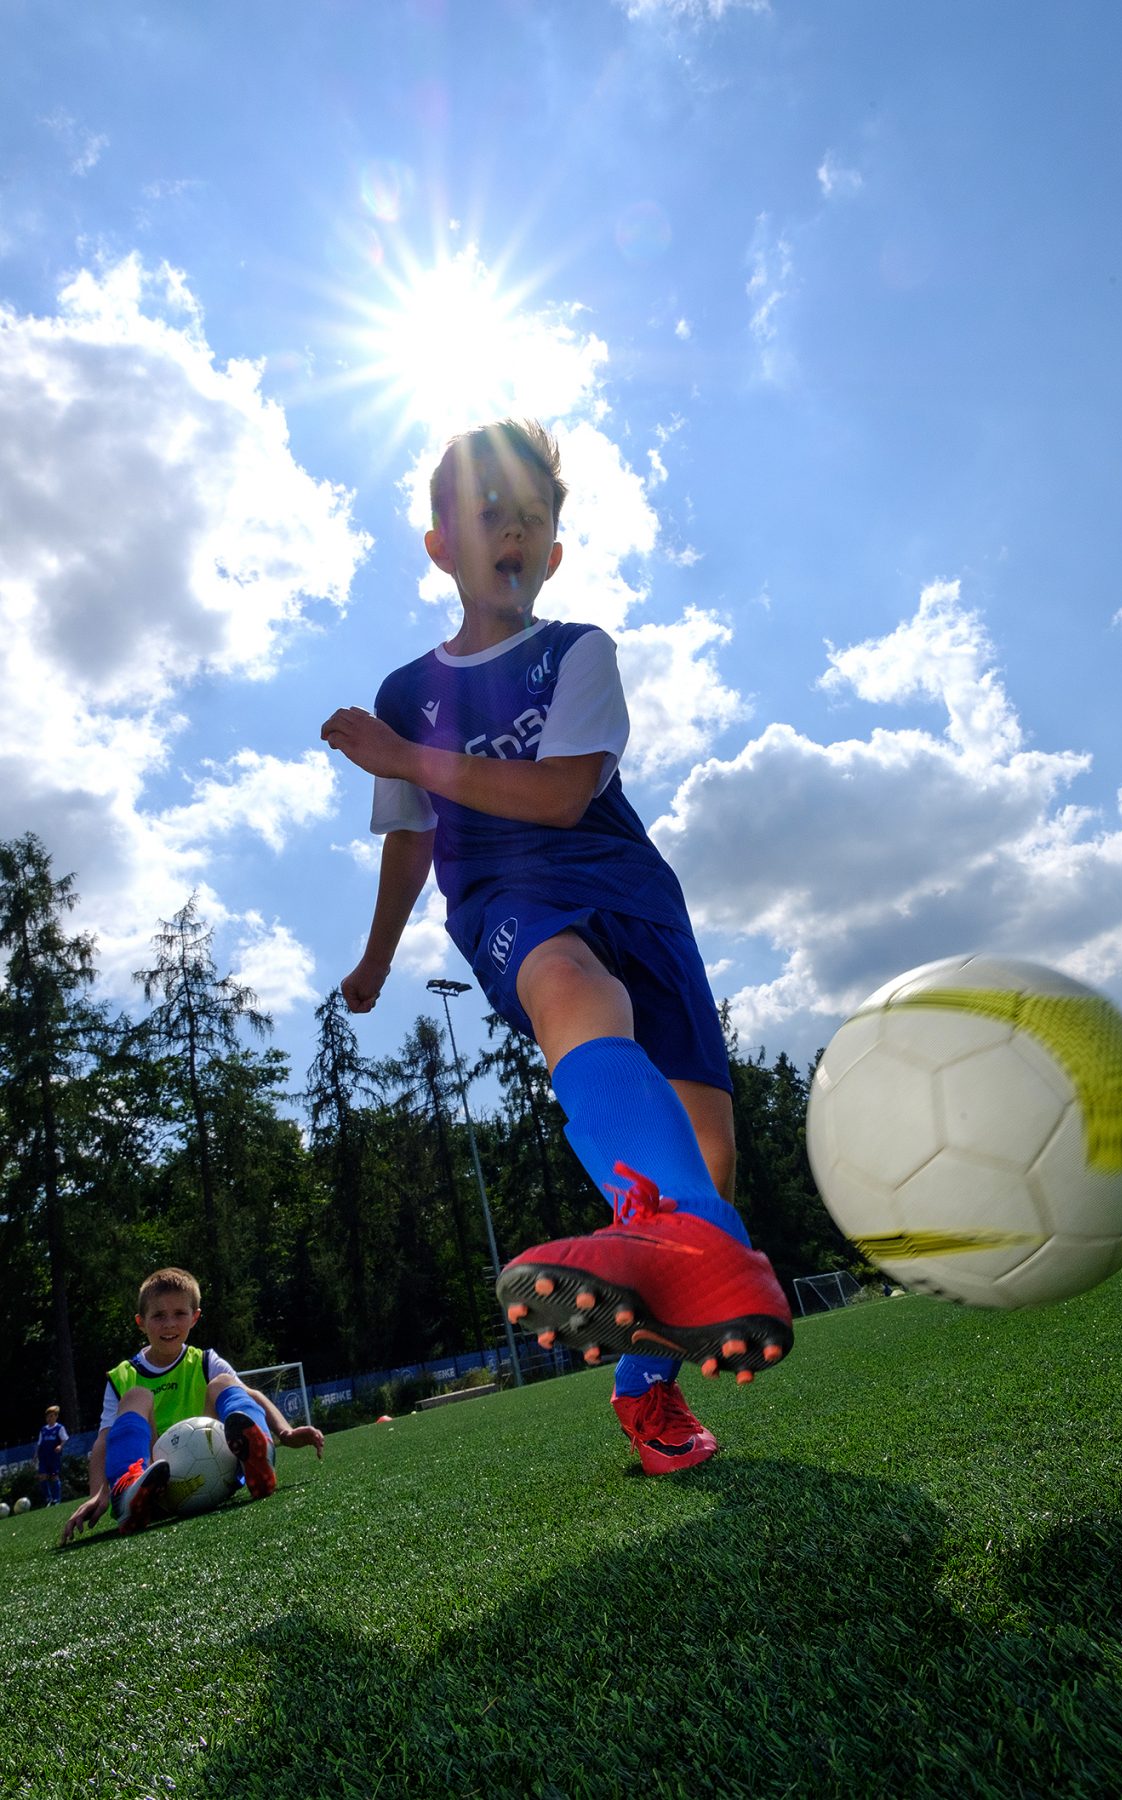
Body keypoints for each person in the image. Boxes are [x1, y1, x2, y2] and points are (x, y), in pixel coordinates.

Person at [321, 419, 792, 1477]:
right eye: (492, 513)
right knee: (571, 987)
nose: (516, 531)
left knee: (707, 1166)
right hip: (506, 895)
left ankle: (648, 1384)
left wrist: (404, 757)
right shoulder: (410, 695)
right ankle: (677, 1244)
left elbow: (565, 789)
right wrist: (377, 956)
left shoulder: (577, 651)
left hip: (630, 890)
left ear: (556, 551)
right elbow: (409, 838)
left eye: (534, 518)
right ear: (441, 544)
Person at [60, 1267, 324, 1545]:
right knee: (137, 1396)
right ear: (141, 1322)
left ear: (195, 1317)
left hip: (215, 1472)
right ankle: (127, 1490)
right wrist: (98, 1493)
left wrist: (285, 1433)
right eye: (158, 1315)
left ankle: (261, 1457)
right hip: (156, 1486)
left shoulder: (206, 1361)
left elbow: (252, 1394)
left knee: (223, 1383)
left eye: (179, 1314)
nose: (169, 1324)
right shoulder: (122, 1377)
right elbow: (104, 1441)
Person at [35, 1404, 69, 1506]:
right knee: (42, 1477)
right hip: (43, 1457)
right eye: (48, 1416)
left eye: (52, 1416)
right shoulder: (43, 1430)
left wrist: (60, 1446)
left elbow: (65, 1439)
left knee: (54, 1477)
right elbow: (39, 1443)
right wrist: (36, 1454)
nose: (49, 1418)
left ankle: (56, 1499)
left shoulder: (59, 1428)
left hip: (54, 1457)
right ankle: (48, 1499)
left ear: (56, 1416)